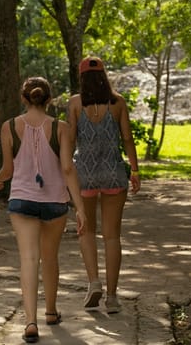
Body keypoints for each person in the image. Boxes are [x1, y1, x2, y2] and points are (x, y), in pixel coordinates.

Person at [0, 76, 85, 344]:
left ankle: (30, 322)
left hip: (21, 201)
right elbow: (68, 168)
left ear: (24, 98)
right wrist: (80, 208)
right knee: (50, 258)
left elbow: (8, 169)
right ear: (49, 100)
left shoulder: (9, 126)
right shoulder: (62, 128)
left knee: (29, 260)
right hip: (55, 202)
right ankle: (51, 311)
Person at [66, 56, 141, 314]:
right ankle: (111, 297)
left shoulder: (75, 103)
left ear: (81, 76)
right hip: (113, 174)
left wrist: (65, 170)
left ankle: (93, 283)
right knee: (111, 236)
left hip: (84, 175)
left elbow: (71, 138)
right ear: (104, 75)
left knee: (85, 231)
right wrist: (135, 170)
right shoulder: (117, 102)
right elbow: (128, 139)